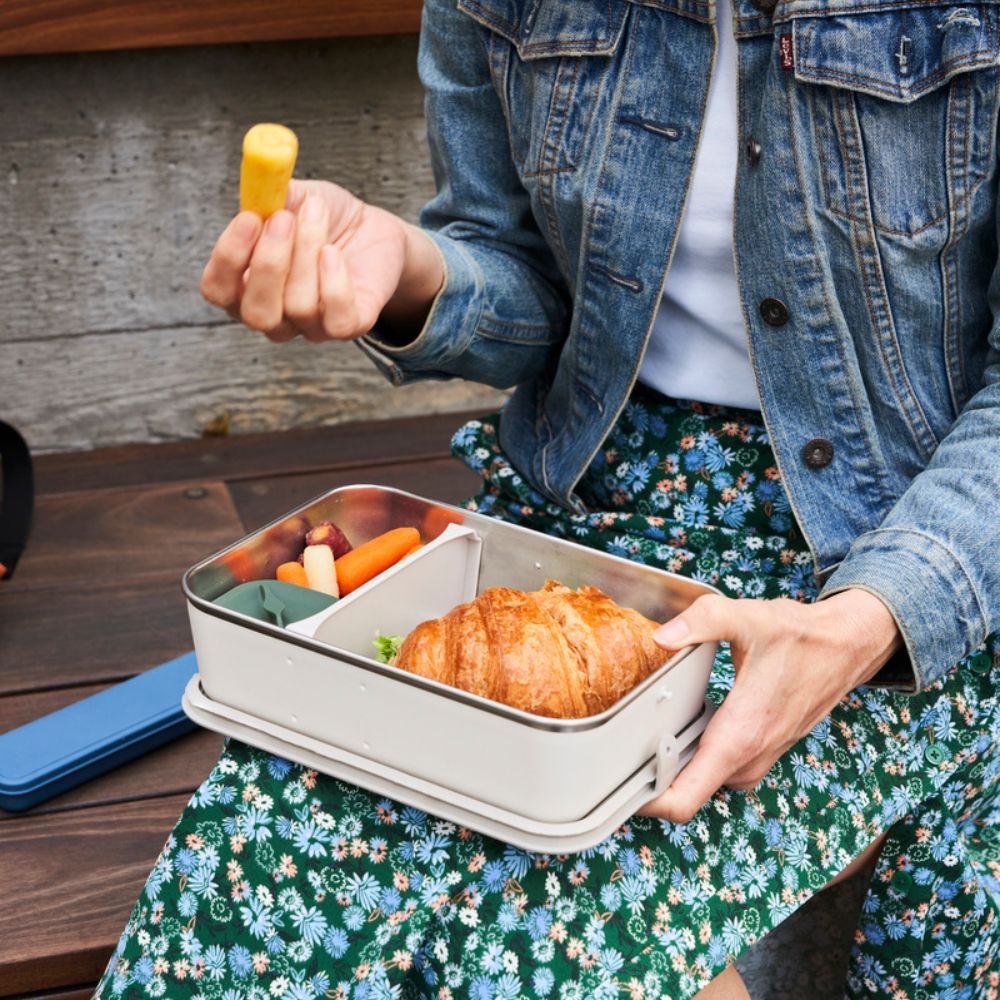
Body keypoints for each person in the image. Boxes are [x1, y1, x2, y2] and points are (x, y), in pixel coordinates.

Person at [96, 0, 1000, 996]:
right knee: (251, 887)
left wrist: (867, 621)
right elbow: (526, 279)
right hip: (582, 533)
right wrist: (410, 272)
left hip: (902, 541)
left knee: (559, 942)